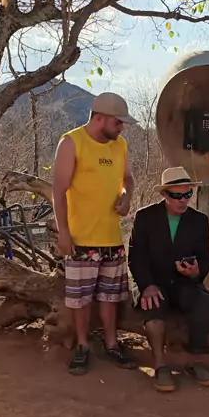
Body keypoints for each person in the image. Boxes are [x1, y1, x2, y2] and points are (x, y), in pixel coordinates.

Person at [53, 92, 137, 375]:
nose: (122, 127)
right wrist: (63, 233)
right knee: (80, 299)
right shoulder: (72, 143)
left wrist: (126, 197)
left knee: (110, 298)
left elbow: (128, 179)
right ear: (100, 118)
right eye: (118, 122)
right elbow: (58, 192)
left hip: (112, 238)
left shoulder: (120, 145)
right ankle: (82, 345)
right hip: (81, 240)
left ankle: (112, 344)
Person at [128, 167, 209, 393]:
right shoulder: (145, 217)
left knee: (201, 304)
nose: (183, 200)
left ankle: (195, 362)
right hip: (152, 281)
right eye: (177, 195)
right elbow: (136, 257)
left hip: (183, 282)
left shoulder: (199, 220)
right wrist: (146, 285)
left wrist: (195, 272)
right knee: (153, 305)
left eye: (188, 194)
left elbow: (205, 259)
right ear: (164, 194)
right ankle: (160, 366)